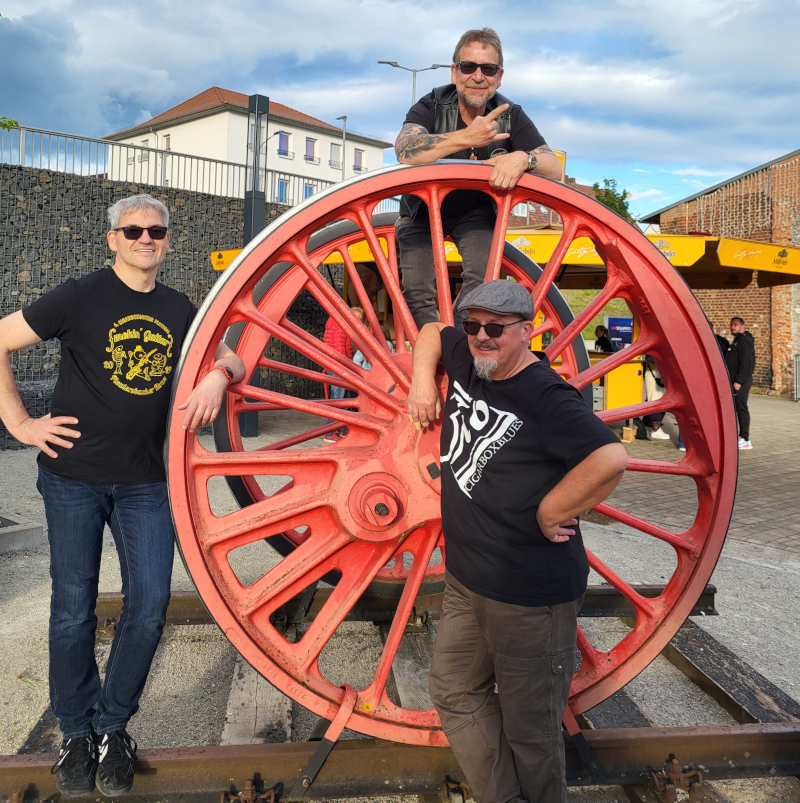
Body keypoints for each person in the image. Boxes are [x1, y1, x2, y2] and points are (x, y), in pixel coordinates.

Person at [0, 194, 245, 797]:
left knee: (149, 604)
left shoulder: (179, 307)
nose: (145, 239)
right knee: (72, 608)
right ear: (112, 239)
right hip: (72, 479)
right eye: (132, 231)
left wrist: (218, 376)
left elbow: (234, 358)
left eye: (155, 231)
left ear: (167, 239)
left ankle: (112, 727)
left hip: (145, 483)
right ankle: (76, 733)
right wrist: (21, 425)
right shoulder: (78, 296)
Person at [407, 280, 627, 803]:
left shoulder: (545, 395)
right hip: (467, 581)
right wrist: (421, 384)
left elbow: (610, 458)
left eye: (496, 328)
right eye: (473, 326)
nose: (481, 336)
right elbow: (431, 331)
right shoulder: (470, 359)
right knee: (454, 690)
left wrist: (553, 509)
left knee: (532, 734)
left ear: (526, 331)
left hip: (529, 596)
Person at [394, 28, 562, 330]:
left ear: (499, 76)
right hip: (421, 211)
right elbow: (405, 149)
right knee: (416, 293)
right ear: (454, 72)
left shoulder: (511, 115)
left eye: (488, 69)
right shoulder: (432, 104)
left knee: (484, 286)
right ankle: (439, 345)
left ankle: (459, 345)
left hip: (475, 213)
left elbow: (554, 168)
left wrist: (525, 158)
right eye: (469, 66)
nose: (478, 76)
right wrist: (466, 137)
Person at [323, 307, 365, 443]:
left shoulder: (337, 323)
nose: (358, 321)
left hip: (337, 366)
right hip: (339, 367)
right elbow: (339, 349)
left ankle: (342, 430)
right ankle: (330, 433)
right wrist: (345, 367)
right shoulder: (340, 325)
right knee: (337, 399)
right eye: (356, 318)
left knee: (343, 398)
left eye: (360, 319)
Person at [724, 317, 755, 449]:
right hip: (735, 381)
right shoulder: (737, 341)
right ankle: (738, 435)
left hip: (741, 382)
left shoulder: (744, 341)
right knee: (735, 408)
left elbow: (746, 363)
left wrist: (739, 381)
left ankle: (745, 439)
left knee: (741, 408)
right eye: (731, 325)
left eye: (735, 325)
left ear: (742, 326)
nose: (732, 327)